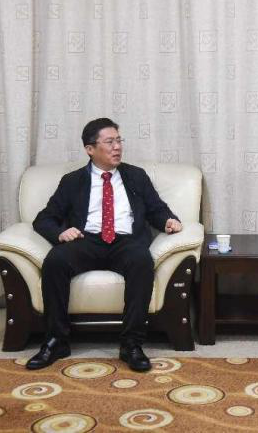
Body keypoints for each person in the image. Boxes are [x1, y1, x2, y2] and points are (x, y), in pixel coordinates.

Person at [26, 118, 182, 372]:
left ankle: (131, 344)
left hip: (126, 241)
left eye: (119, 141)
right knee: (55, 261)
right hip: (87, 240)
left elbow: (156, 209)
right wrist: (61, 233)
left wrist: (168, 221)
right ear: (90, 149)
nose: (117, 147)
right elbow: (44, 219)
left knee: (142, 261)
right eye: (109, 142)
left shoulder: (136, 176)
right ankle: (56, 341)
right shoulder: (73, 181)